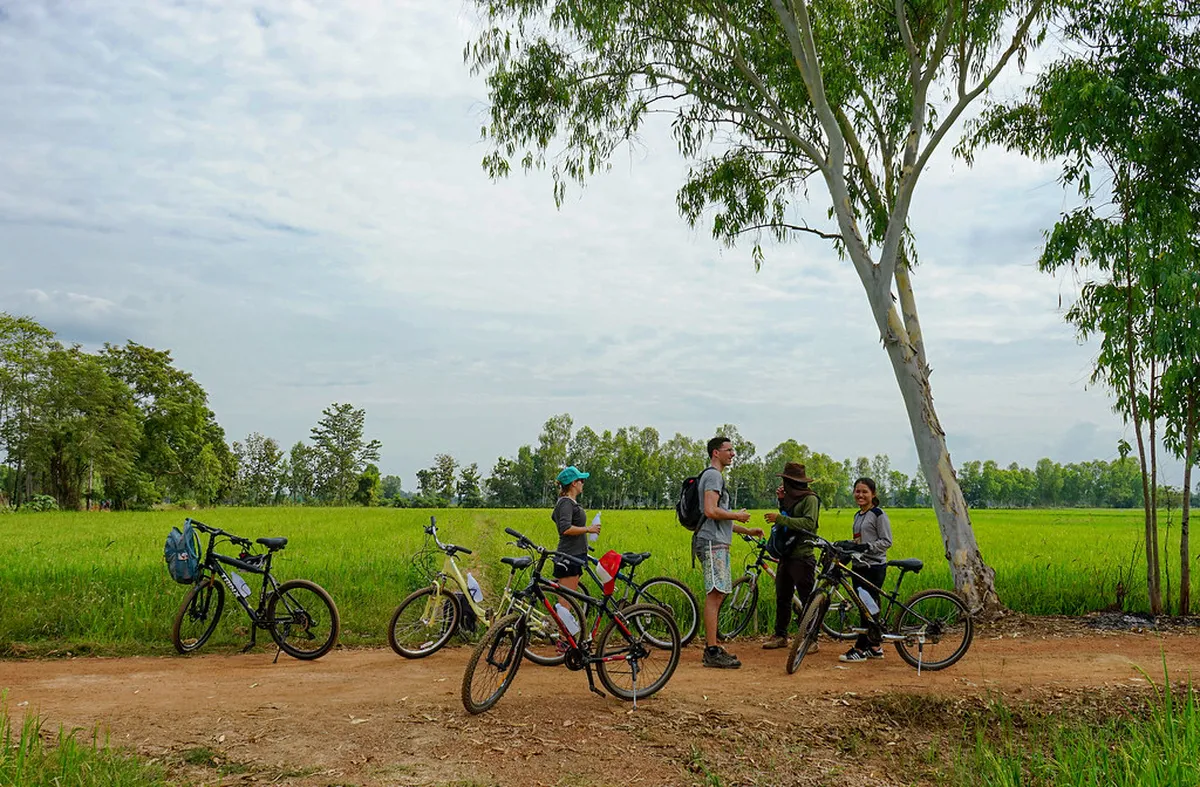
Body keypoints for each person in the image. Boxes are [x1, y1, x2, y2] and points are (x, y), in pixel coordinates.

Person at [695, 436, 764, 668]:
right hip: (712, 542)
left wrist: (747, 530)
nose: (733, 454)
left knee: (719, 593)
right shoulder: (713, 476)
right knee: (715, 594)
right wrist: (737, 515)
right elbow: (710, 510)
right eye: (729, 450)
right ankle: (712, 651)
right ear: (716, 452)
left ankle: (713, 646)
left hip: (717, 540)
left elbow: (718, 517)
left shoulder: (714, 476)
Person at [761, 463, 820, 650]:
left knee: (807, 599)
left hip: (802, 556)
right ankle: (780, 635)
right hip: (786, 554)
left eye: (786, 481)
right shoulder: (790, 498)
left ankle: (811, 639)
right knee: (783, 597)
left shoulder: (810, 499)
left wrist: (780, 518)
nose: (784, 484)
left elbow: (808, 523)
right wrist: (781, 502)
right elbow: (789, 518)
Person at [840, 477, 893, 663]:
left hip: (874, 567)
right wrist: (849, 546)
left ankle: (860, 649)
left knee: (867, 608)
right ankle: (875, 647)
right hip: (859, 566)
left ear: (873, 494)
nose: (860, 495)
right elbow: (858, 540)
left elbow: (886, 541)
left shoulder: (878, 514)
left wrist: (867, 547)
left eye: (865, 492)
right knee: (869, 607)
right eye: (857, 491)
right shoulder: (858, 515)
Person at [550, 465, 601, 593]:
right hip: (570, 556)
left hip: (575, 554)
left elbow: (555, 517)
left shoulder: (567, 502)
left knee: (570, 598)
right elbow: (565, 528)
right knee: (566, 601)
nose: (583, 483)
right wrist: (588, 529)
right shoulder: (566, 503)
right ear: (573, 483)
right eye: (581, 480)